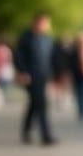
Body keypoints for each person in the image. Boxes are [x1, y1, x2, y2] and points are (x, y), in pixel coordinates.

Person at [14, 12, 58, 145]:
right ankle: (46, 135)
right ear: (36, 23)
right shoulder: (26, 38)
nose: (46, 26)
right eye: (44, 23)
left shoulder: (47, 39)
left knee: (34, 104)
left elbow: (51, 59)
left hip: (43, 75)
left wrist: (54, 76)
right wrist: (22, 71)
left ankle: (26, 130)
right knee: (41, 104)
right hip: (30, 76)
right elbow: (18, 56)